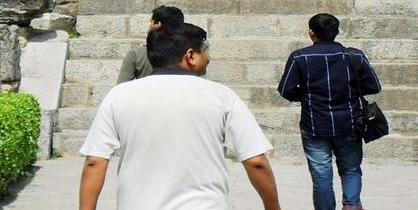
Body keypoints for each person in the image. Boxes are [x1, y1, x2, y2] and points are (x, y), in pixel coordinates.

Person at [79, 23, 283, 210]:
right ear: (190, 56)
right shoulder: (221, 96)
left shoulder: (119, 95)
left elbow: (94, 161)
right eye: (205, 51)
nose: (209, 58)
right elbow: (256, 161)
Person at [277, 13, 382, 210]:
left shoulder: (300, 57)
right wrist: (349, 92)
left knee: (321, 175)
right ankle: (351, 205)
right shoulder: (355, 56)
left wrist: (306, 95)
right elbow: (374, 86)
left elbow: (285, 90)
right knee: (351, 169)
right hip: (349, 123)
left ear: (311, 33)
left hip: (314, 124)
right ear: (336, 32)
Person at [116, 5, 183, 83]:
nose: (149, 25)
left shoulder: (137, 54)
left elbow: (122, 85)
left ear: (158, 23)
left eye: (151, 22)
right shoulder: (190, 53)